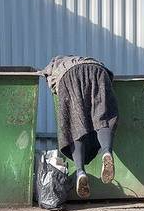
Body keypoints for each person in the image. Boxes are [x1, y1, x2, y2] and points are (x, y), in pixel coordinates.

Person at [42, 55, 119, 198]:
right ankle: (107, 152)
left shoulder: (53, 67)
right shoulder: (87, 59)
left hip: (69, 77)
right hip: (98, 71)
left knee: (75, 126)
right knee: (103, 116)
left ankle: (80, 171)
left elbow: (51, 83)